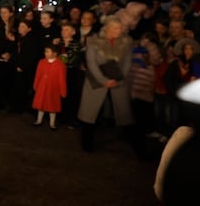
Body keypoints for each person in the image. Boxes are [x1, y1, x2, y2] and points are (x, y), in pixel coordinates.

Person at [78, 17, 134, 152]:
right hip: (96, 82)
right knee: (90, 115)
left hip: (118, 82)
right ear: (106, 28)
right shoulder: (94, 42)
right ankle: (87, 143)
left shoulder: (125, 42)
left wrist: (119, 79)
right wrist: (104, 80)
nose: (119, 31)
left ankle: (133, 143)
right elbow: (91, 63)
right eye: (115, 28)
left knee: (124, 113)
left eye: (120, 28)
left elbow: (127, 62)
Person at [31, 43, 67, 129]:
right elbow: (38, 75)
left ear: (54, 53)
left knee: (52, 105)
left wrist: (63, 91)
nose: (45, 53)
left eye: (47, 51)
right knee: (41, 104)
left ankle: (52, 123)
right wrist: (35, 85)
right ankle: (39, 120)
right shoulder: (41, 62)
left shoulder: (60, 65)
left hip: (53, 89)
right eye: (45, 51)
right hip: (42, 87)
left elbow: (62, 79)